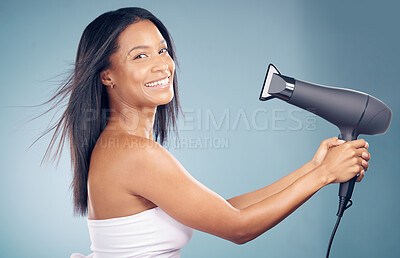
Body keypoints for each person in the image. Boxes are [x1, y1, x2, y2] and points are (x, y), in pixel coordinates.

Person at [42, 7, 371, 258]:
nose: (162, 65)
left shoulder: (123, 146)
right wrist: (324, 175)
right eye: (140, 56)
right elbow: (238, 228)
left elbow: (223, 211)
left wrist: (314, 169)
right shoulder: (134, 153)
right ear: (106, 76)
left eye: (162, 50)